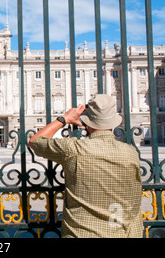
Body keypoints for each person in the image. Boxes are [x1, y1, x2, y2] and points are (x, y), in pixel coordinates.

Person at [28, 94, 143, 238]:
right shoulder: (131, 153)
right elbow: (134, 202)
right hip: (121, 233)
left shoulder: (74, 149)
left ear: (86, 123)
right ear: (115, 123)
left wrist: (64, 119)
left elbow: (35, 141)